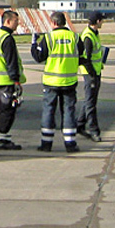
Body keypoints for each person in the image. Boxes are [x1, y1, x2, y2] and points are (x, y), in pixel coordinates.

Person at [31, 11, 80, 153]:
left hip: (51, 81)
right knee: (69, 111)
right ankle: (70, 143)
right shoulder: (74, 37)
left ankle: (46, 143)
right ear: (64, 22)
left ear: (53, 23)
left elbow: (38, 57)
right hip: (69, 81)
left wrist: (34, 43)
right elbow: (83, 55)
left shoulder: (49, 38)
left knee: (49, 111)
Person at [0, 9, 26, 150]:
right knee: (8, 111)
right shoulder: (7, 39)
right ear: (8, 21)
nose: (18, 24)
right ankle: (3, 139)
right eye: (16, 21)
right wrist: (16, 80)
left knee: (1, 110)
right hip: (7, 80)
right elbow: (11, 61)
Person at [77, 11, 108, 142]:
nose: (103, 22)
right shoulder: (88, 37)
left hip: (95, 71)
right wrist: (92, 75)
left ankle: (79, 124)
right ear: (97, 21)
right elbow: (85, 58)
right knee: (91, 103)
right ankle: (93, 130)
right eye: (102, 20)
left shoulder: (94, 34)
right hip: (90, 74)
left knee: (90, 100)